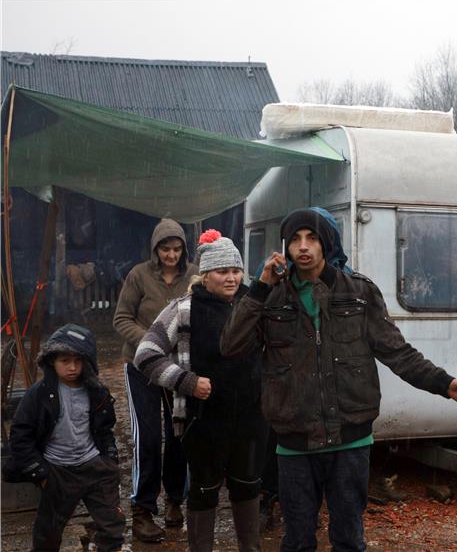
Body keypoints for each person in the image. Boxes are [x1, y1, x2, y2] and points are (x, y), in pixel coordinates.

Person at [220, 207, 457, 552]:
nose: (303, 247)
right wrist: (258, 289)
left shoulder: (359, 293)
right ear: (285, 248)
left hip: (350, 442)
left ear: (327, 242)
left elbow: (398, 352)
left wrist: (444, 383)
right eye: (295, 240)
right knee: (297, 541)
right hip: (294, 442)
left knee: (348, 540)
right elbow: (231, 347)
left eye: (312, 238)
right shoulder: (270, 296)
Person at [134, 230, 265, 552]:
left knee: (248, 487)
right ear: (206, 275)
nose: (231, 278)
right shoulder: (184, 310)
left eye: (236, 270)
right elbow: (146, 354)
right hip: (202, 419)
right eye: (223, 271)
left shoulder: (253, 305)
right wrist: (186, 381)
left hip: (250, 417)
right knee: (204, 490)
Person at [3, 324, 125, 552]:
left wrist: (110, 459)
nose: (72, 367)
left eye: (78, 361)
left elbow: (106, 428)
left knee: (113, 525)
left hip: (94, 465)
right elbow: (20, 435)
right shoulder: (38, 395)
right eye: (65, 361)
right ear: (51, 361)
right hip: (58, 470)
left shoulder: (97, 392)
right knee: (48, 533)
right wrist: (41, 474)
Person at [113, 218, 197, 541]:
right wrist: (150, 341)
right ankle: (143, 510)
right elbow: (121, 318)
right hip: (140, 366)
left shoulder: (193, 275)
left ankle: (176, 499)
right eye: (165, 249)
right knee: (147, 437)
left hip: (178, 367)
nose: (171, 255)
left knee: (179, 434)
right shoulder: (139, 275)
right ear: (155, 249)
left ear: (184, 250)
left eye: (176, 249)